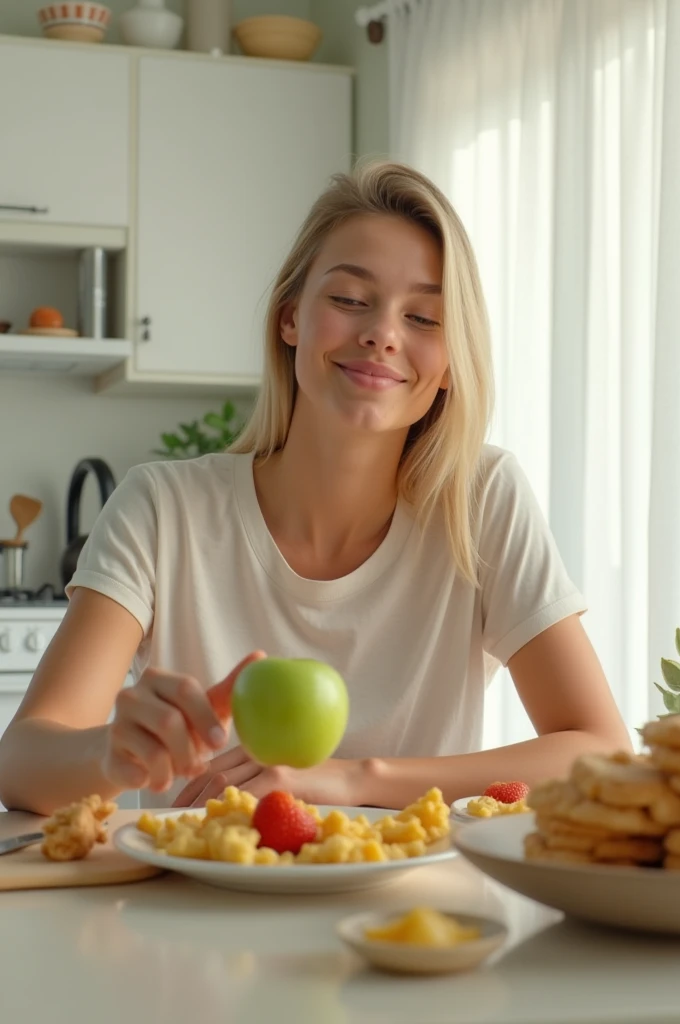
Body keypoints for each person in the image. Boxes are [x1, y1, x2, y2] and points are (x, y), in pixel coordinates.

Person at [0, 162, 630, 816]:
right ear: (290, 319)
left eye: (423, 317)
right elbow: (21, 762)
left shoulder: (482, 501)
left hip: (413, 912)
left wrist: (352, 779)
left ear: (449, 365)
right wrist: (108, 754)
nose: (383, 332)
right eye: (351, 300)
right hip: (188, 912)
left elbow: (599, 751)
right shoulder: (162, 509)